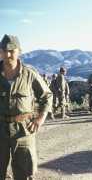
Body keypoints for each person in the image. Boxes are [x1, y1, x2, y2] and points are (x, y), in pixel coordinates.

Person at [0, 34, 52, 180]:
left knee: (24, 173)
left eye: (12, 50)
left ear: (19, 51)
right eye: (4, 50)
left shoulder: (29, 74)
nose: (8, 54)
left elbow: (47, 96)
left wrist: (40, 118)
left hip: (23, 130)